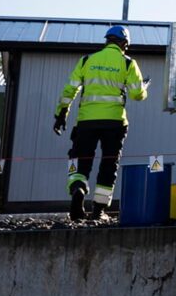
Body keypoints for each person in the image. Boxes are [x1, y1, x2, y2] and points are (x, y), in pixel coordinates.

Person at [54, 24, 148, 220]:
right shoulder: (128, 63)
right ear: (124, 44)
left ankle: (78, 188)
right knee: (109, 164)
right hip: (115, 123)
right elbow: (137, 95)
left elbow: (69, 90)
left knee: (79, 160)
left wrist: (61, 114)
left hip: (86, 122)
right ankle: (98, 210)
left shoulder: (87, 60)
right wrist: (144, 87)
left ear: (107, 40)